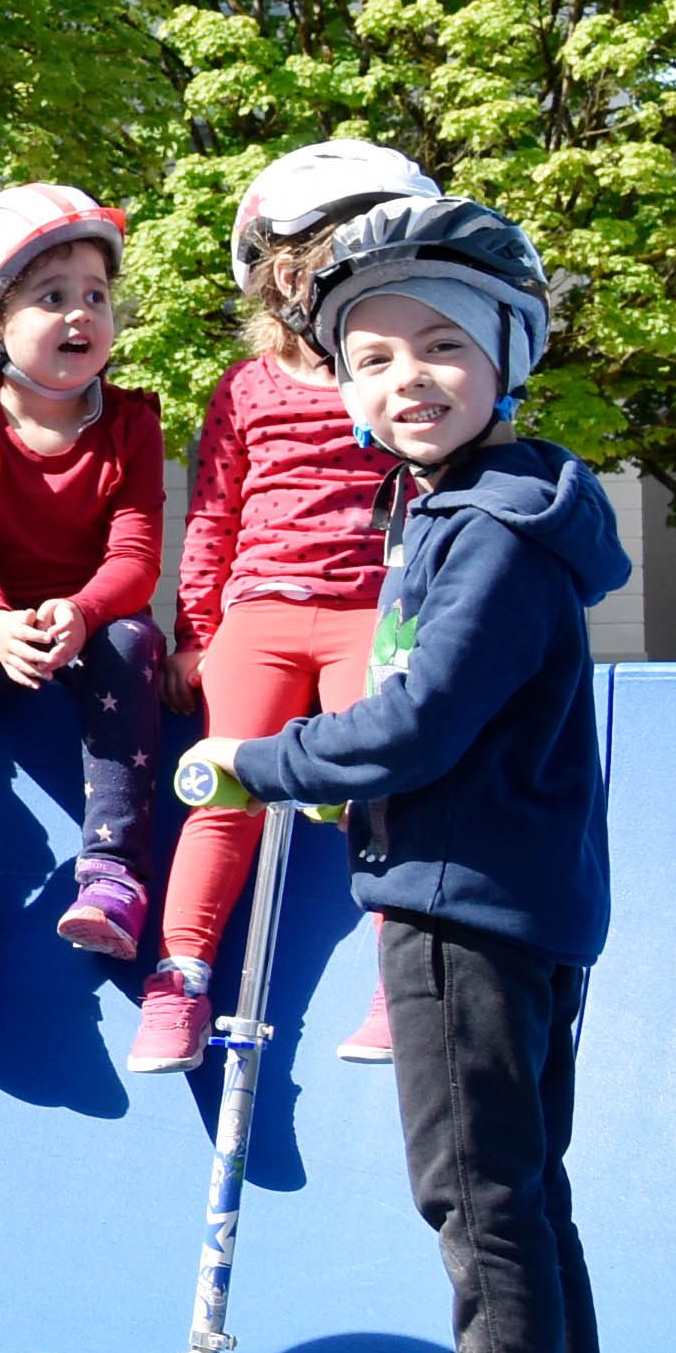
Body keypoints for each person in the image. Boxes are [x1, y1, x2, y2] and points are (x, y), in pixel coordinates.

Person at [182, 197, 632, 1353]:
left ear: (510, 353)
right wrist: (340, 773)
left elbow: (422, 720)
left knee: (476, 1191)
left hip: (460, 901)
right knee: (521, 1185)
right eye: (372, 360)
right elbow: (446, 723)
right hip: (493, 879)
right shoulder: (469, 510)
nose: (405, 380)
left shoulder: (491, 527)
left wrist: (257, 761)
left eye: (440, 346)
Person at [136, 140, 429, 1075]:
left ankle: (404, 979)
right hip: (259, 614)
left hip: (369, 615)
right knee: (224, 791)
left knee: (382, 794)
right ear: (278, 281)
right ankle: (179, 977)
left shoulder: (394, 383)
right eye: (322, 269)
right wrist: (196, 634)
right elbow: (214, 510)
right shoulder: (246, 387)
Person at [0, 188, 168, 963]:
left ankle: (114, 872)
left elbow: (137, 556)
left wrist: (83, 612)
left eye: (96, 296)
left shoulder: (132, 426)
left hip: (97, 620)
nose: (81, 314)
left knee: (131, 643)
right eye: (52, 298)